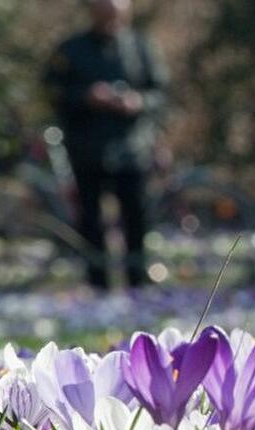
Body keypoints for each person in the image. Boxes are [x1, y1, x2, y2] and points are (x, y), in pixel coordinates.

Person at [44, 0, 168, 289]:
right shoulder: (71, 49)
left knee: (136, 216)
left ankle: (138, 282)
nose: (110, 22)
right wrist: (86, 96)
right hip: (87, 149)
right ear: (92, 14)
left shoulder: (141, 46)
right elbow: (52, 91)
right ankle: (97, 283)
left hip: (132, 148)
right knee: (91, 218)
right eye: (104, 15)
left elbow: (160, 93)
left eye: (115, 16)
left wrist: (138, 102)